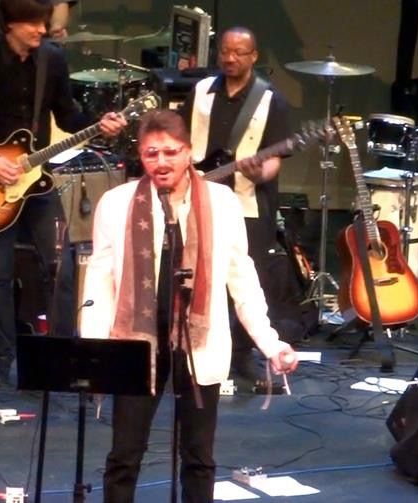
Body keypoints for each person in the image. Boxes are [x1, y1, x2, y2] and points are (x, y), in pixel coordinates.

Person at [80, 109, 297, 502]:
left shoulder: (221, 202)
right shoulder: (116, 203)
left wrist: (270, 343)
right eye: (151, 154)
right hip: (136, 343)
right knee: (124, 455)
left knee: (198, 457)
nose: (161, 162)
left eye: (171, 152)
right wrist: (96, 351)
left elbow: (241, 277)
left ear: (189, 152)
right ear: (140, 156)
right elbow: (100, 276)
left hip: (198, 342)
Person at [0, 0, 126, 387]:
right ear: (10, 24)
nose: (43, 29)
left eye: (44, 22)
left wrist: (100, 125)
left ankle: (60, 357)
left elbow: (69, 115)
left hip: (37, 182)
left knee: (60, 268)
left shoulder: (52, 61)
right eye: (34, 23)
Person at [177, 27, 291, 384]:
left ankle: (242, 355)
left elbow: (275, 160)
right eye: (225, 51)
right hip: (198, 196)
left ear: (253, 56)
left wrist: (259, 172)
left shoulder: (270, 99)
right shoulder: (201, 91)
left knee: (247, 278)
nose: (230, 58)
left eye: (238, 53)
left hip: (248, 203)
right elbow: (180, 137)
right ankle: (188, 347)